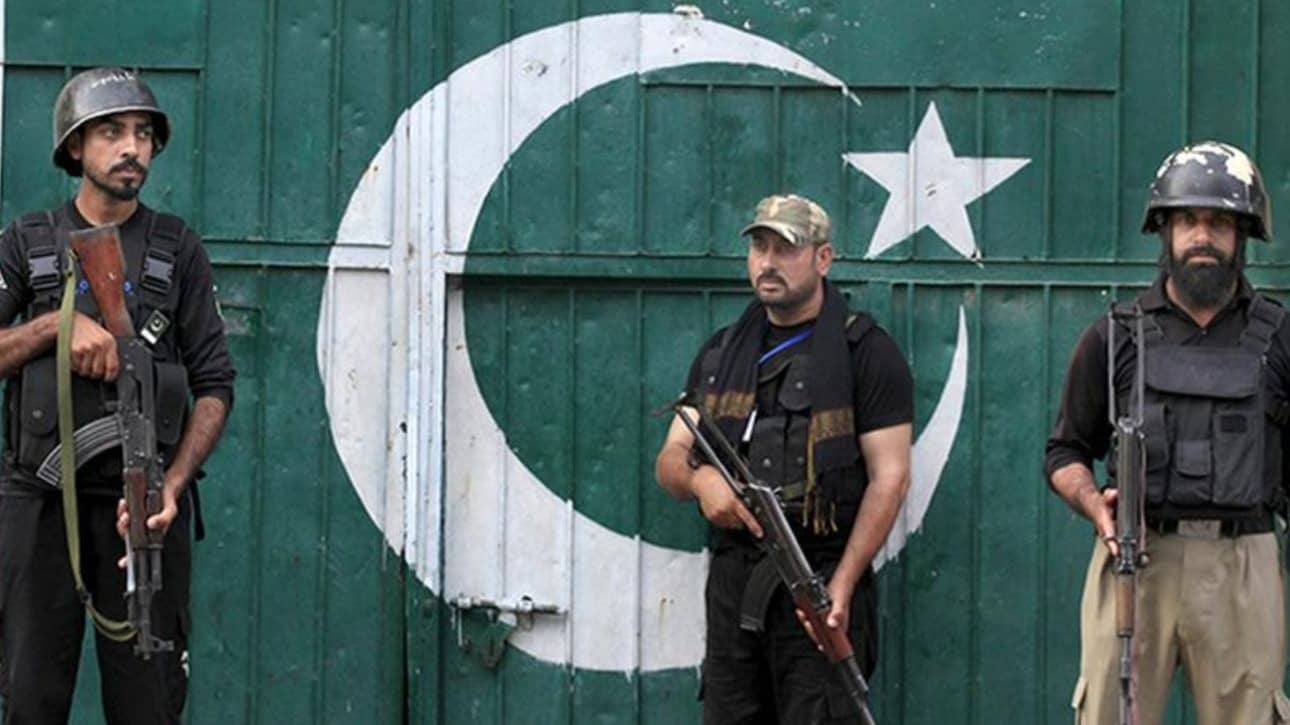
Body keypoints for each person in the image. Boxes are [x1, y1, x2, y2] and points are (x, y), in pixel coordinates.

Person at [0, 67, 235, 723]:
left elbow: (215, 384)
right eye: (111, 132)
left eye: (143, 134)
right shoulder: (27, 243)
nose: (132, 148)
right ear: (75, 147)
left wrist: (172, 486)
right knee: (30, 699)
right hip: (40, 505)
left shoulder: (177, 250)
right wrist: (54, 327)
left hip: (145, 510)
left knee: (148, 704)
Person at [1046, 140, 1290, 724]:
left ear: (1243, 235)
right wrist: (1095, 505)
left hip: (1243, 562)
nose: (1202, 236)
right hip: (1136, 556)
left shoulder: (1280, 337)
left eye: (1218, 223)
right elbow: (1065, 451)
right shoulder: (1115, 335)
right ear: (1165, 231)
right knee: (1109, 714)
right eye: (1187, 221)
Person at [655, 193, 912, 724]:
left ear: (823, 258)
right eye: (759, 247)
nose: (768, 262)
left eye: (786, 249)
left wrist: (842, 585)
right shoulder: (723, 353)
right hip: (736, 581)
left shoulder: (866, 351)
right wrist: (703, 483)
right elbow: (672, 458)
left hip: (817, 575)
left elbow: (890, 478)